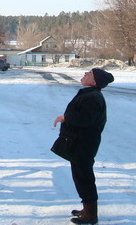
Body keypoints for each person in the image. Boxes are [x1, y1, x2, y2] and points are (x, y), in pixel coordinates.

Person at [52, 68, 114, 225]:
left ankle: (91, 215)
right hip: (80, 143)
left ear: (94, 82)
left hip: (84, 144)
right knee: (80, 176)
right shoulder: (90, 94)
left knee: (84, 178)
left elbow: (85, 119)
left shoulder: (93, 97)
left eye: (89, 74)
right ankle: (87, 209)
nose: (85, 74)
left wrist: (65, 117)